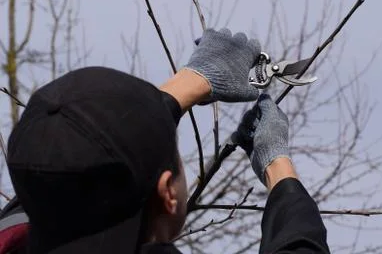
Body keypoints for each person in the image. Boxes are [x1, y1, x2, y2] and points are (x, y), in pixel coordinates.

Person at [0, 28, 330, 253]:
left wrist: (189, 83)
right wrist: (278, 168)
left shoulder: (14, 233)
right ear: (168, 193)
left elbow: (66, 169)